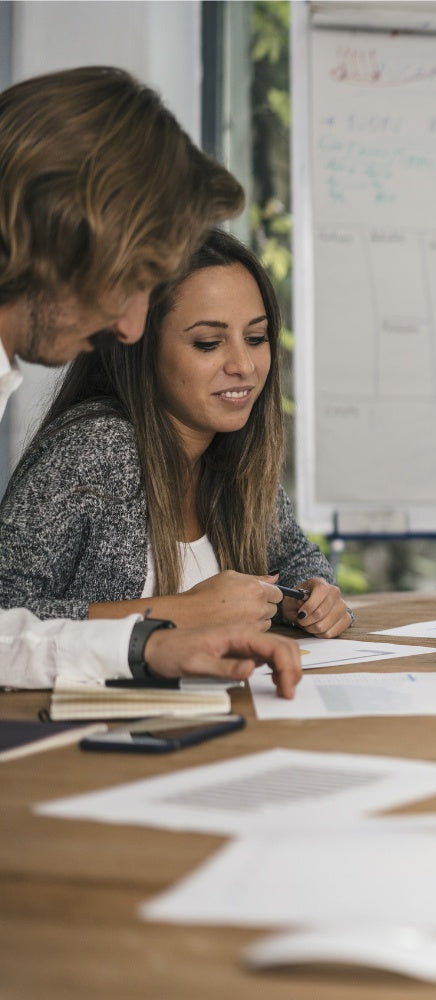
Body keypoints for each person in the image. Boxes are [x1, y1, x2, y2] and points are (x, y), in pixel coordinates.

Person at [0, 65, 300, 695]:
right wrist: (168, 624)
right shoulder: (99, 443)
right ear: (68, 230)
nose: (131, 326)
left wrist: (150, 644)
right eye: (135, 275)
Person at [0, 229, 352, 639]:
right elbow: (6, 613)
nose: (245, 365)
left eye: (256, 338)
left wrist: (312, 595)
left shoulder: (234, 448)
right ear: (141, 347)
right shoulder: (96, 447)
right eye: (208, 343)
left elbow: (294, 556)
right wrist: (181, 612)